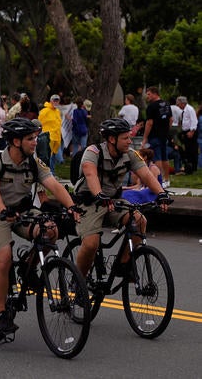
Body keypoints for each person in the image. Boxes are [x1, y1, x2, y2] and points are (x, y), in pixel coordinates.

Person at [0, 118, 78, 335]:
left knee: (51, 230)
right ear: (15, 141)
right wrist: (3, 210)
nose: (35, 142)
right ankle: (1, 313)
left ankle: (28, 266)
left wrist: (72, 207)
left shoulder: (34, 162)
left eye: (35, 138)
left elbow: (53, 185)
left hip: (22, 212)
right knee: (3, 258)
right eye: (30, 138)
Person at [73, 118, 170, 282]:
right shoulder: (93, 152)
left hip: (113, 201)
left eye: (129, 137)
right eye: (125, 138)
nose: (130, 141)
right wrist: (99, 194)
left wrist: (161, 194)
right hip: (89, 201)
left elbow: (146, 174)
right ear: (112, 139)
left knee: (140, 221)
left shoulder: (130, 155)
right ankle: (79, 282)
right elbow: (90, 174)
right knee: (91, 244)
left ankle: (123, 264)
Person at [141, 86, 172, 188]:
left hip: (155, 135)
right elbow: (171, 119)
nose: (147, 96)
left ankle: (158, 180)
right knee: (165, 157)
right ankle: (166, 179)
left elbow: (149, 123)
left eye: (149, 94)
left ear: (155, 93)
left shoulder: (152, 106)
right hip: (164, 135)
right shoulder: (167, 104)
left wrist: (145, 137)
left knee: (157, 157)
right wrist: (167, 130)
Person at [38, 94, 63, 175]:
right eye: (54, 100)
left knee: (53, 157)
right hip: (48, 137)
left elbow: (58, 124)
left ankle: (52, 173)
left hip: (57, 138)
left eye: (57, 100)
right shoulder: (44, 111)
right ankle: (49, 173)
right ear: (50, 101)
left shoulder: (58, 111)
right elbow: (38, 122)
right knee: (50, 156)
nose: (56, 102)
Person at [175, 96, 198, 173]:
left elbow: (194, 120)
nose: (178, 106)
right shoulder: (184, 111)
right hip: (185, 131)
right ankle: (188, 165)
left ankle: (193, 166)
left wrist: (192, 131)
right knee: (187, 149)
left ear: (182, 103)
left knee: (192, 149)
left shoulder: (190, 109)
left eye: (178, 104)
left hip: (190, 131)